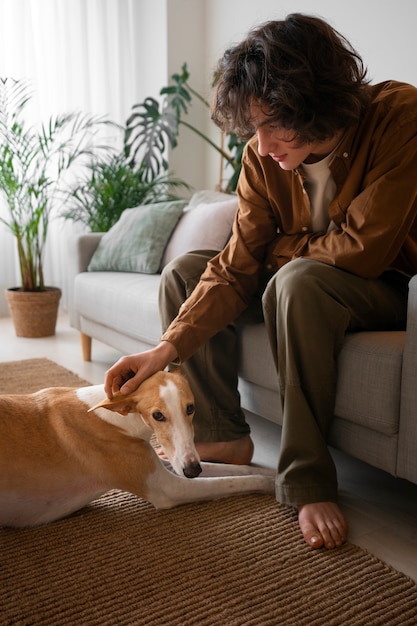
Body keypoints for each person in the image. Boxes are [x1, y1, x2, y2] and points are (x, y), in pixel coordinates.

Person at [104, 13, 417, 550]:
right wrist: (164, 349)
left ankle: (308, 479)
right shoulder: (260, 156)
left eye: (275, 123)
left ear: (316, 98)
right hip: (296, 282)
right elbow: (236, 262)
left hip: (381, 288)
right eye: (254, 127)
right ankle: (224, 437)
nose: (264, 144)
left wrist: (281, 253)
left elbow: (366, 249)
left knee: (296, 281)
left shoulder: (401, 117)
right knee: (187, 272)